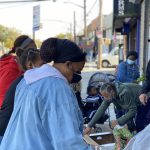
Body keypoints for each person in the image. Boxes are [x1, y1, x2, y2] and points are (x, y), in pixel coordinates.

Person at [0, 38, 94, 150]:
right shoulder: (57, 88)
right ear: (68, 64)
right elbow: (68, 142)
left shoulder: (27, 80)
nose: (76, 77)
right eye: (77, 71)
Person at [0, 48, 43, 140]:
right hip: (5, 130)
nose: (46, 68)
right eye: (42, 65)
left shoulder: (24, 81)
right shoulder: (26, 84)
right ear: (30, 65)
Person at [0, 35, 36, 108]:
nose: (35, 54)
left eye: (36, 51)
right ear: (19, 52)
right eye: (31, 51)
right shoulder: (10, 70)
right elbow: (3, 100)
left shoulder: (24, 67)